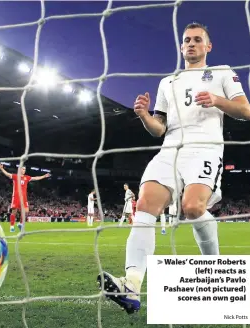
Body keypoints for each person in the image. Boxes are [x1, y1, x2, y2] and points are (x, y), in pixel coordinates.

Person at [97, 22, 250, 314]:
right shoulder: (168, 81)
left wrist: (218, 100)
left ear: (208, 46)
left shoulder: (222, 72)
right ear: (181, 47)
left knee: (192, 208)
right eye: (186, 40)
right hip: (169, 150)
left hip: (204, 149)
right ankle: (132, 285)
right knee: (144, 205)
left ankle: (214, 273)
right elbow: (159, 128)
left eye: (197, 40)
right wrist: (143, 115)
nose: (191, 44)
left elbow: (245, 111)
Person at [0, 163, 51, 232]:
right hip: (16, 196)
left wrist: (44, 176)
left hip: (24, 197)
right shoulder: (15, 176)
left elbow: (35, 178)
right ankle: (12, 226)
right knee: (14, 211)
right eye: (22, 169)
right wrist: (1, 168)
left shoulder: (27, 177)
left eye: (24, 169)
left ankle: (20, 223)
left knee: (25, 211)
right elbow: (7, 174)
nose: (24, 170)